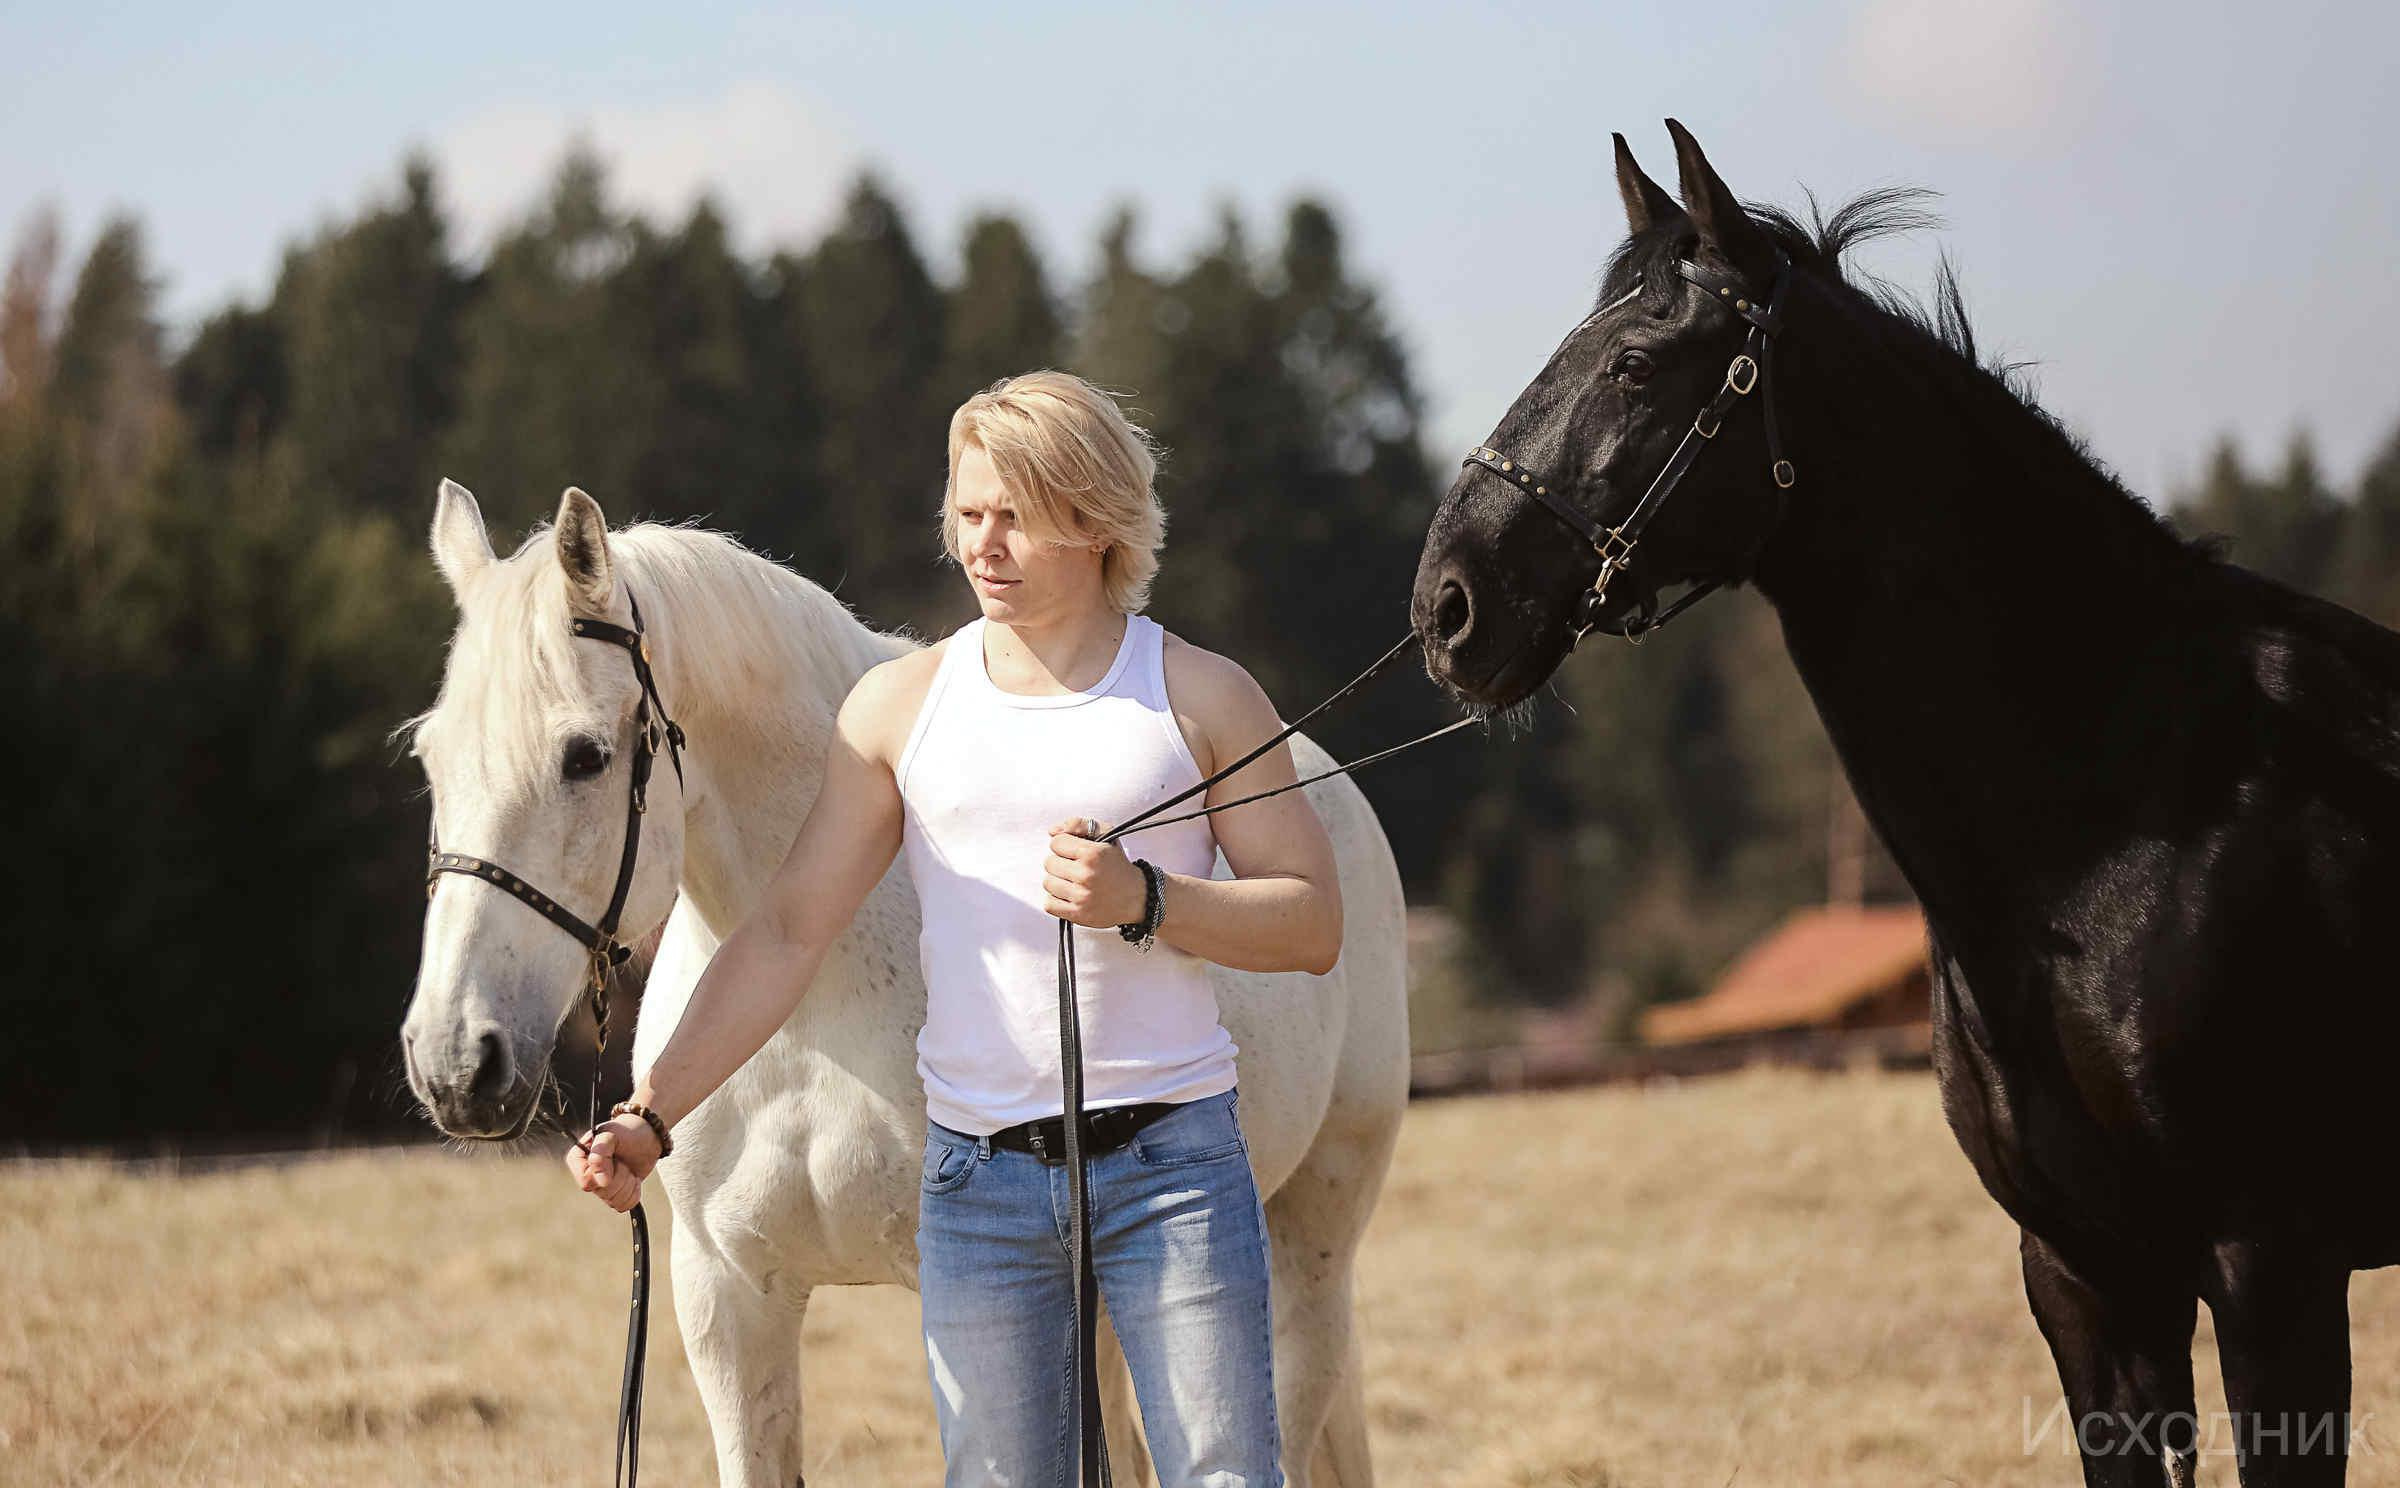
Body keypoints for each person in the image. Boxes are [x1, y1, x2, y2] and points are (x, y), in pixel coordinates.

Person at [567, 370, 1343, 1486]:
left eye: (1014, 516)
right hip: (980, 1192)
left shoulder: (1202, 695)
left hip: (1174, 1167)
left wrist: (1149, 901)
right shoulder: (900, 709)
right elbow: (786, 932)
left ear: (1094, 518)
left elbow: (1311, 923)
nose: (982, 544)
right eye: (967, 513)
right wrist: (651, 1112)